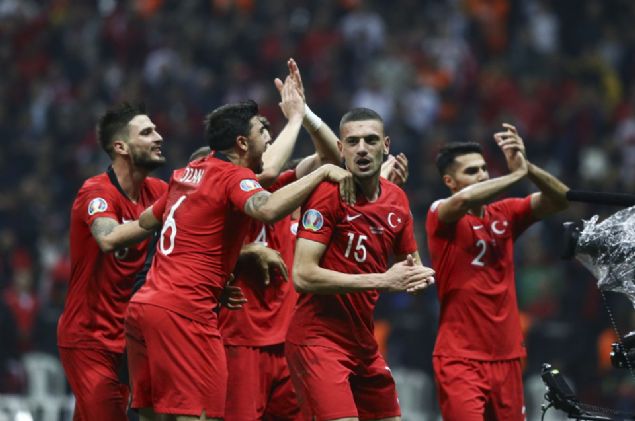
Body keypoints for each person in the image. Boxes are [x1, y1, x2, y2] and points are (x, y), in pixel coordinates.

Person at [124, 75, 354, 421]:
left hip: (147, 304)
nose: (269, 140)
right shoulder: (233, 178)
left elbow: (146, 220)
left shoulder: (186, 175)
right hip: (189, 313)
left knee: (155, 416)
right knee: (201, 415)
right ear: (242, 143)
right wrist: (315, 164)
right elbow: (267, 207)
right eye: (263, 133)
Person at [285, 107, 436, 421]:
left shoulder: (397, 199)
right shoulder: (327, 195)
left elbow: (411, 270)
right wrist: (384, 280)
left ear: (386, 145)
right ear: (341, 149)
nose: (362, 149)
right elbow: (303, 275)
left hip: (364, 343)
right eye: (353, 142)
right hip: (318, 340)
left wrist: (419, 279)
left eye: (371, 140)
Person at [426, 123, 570, 421]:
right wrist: (515, 176)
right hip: (460, 358)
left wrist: (527, 167)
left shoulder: (505, 213)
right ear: (449, 181)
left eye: (483, 169)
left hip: (508, 356)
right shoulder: (440, 213)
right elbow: (463, 200)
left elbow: (560, 199)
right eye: (471, 171)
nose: (482, 175)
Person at [57, 102, 168, 420]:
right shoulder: (96, 192)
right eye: (146, 132)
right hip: (90, 339)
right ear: (121, 147)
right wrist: (159, 214)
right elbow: (107, 237)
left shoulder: (158, 191)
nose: (158, 137)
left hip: (131, 338)